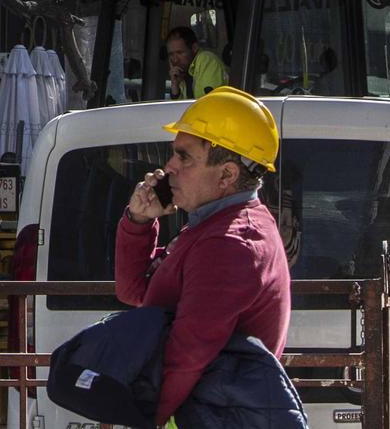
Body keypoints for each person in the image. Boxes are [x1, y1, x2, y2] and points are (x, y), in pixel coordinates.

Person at [116, 86, 291, 426]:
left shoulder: (230, 241)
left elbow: (188, 354)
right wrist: (139, 220)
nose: (169, 166)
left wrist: (144, 418)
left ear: (227, 175)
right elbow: (134, 291)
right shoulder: (217, 228)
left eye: (184, 157)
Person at [165, 25, 230, 99]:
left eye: (180, 53)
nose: (175, 60)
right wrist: (175, 89)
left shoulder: (206, 60)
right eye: (171, 54)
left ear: (194, 48)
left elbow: (208, 103)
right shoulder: (182, 73)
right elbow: (178, 109)